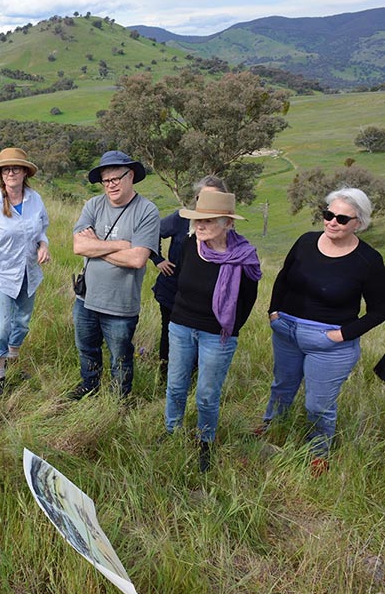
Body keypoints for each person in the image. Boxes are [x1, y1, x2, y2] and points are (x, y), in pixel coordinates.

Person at [254, 187, 385, 476]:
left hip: (330, 342)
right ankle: (272, 428)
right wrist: (274, 312)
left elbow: (379, 310)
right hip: (286, 330)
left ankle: (318, 452)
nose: (332, 222)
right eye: (328, 214)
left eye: (341, 218)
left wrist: (342, 335)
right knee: (281, 387)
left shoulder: (369, 260)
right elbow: (283, 278)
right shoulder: (305, 242)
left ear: (358, 223)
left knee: (318, 404)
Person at [160, 190, 261, 472]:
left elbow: (247, 300)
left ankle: (205, 441)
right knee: (176, 386)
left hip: (217, 335)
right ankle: (171, 431)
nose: (200, 226)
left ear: (228, 223)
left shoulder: (244, 258)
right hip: (181, 326)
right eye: (197, 220)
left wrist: (227, 327)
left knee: (206, 393)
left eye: (208, 221)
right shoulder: (191, 245)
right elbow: (179, 279)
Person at [70, 150, 160, 399]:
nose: (110, 186)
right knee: (86, 349)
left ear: (130, 175)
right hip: (86, 299)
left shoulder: (146, 211)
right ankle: (89, 386)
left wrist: (96, 246)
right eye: (105, 181)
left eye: (115, 179)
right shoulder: (93, 205)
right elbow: (79, 247)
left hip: (120, 305)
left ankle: (119, 399)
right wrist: (121, 244)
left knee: (120, 356)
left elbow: (138, 258)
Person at [0, 148, 51, 396]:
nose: (11, 173)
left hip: (29, 271)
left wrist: (44, 245)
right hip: (1, 274)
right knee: (3, 325)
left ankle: (14, 361)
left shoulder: (35, 200)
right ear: (1, 175)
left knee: (22, 323)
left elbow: (41, 229)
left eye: (16, 168)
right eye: (6, 169)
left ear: (25, 172)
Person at [150, 176, 229, 376]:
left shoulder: (224, 227)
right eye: (203, 197)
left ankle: (192, 379)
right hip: (172, 292)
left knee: (198, 339)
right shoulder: (181, 219)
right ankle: (165, 378)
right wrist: (157, 258)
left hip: (204, 300)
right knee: (169, 336)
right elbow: (153, 231)